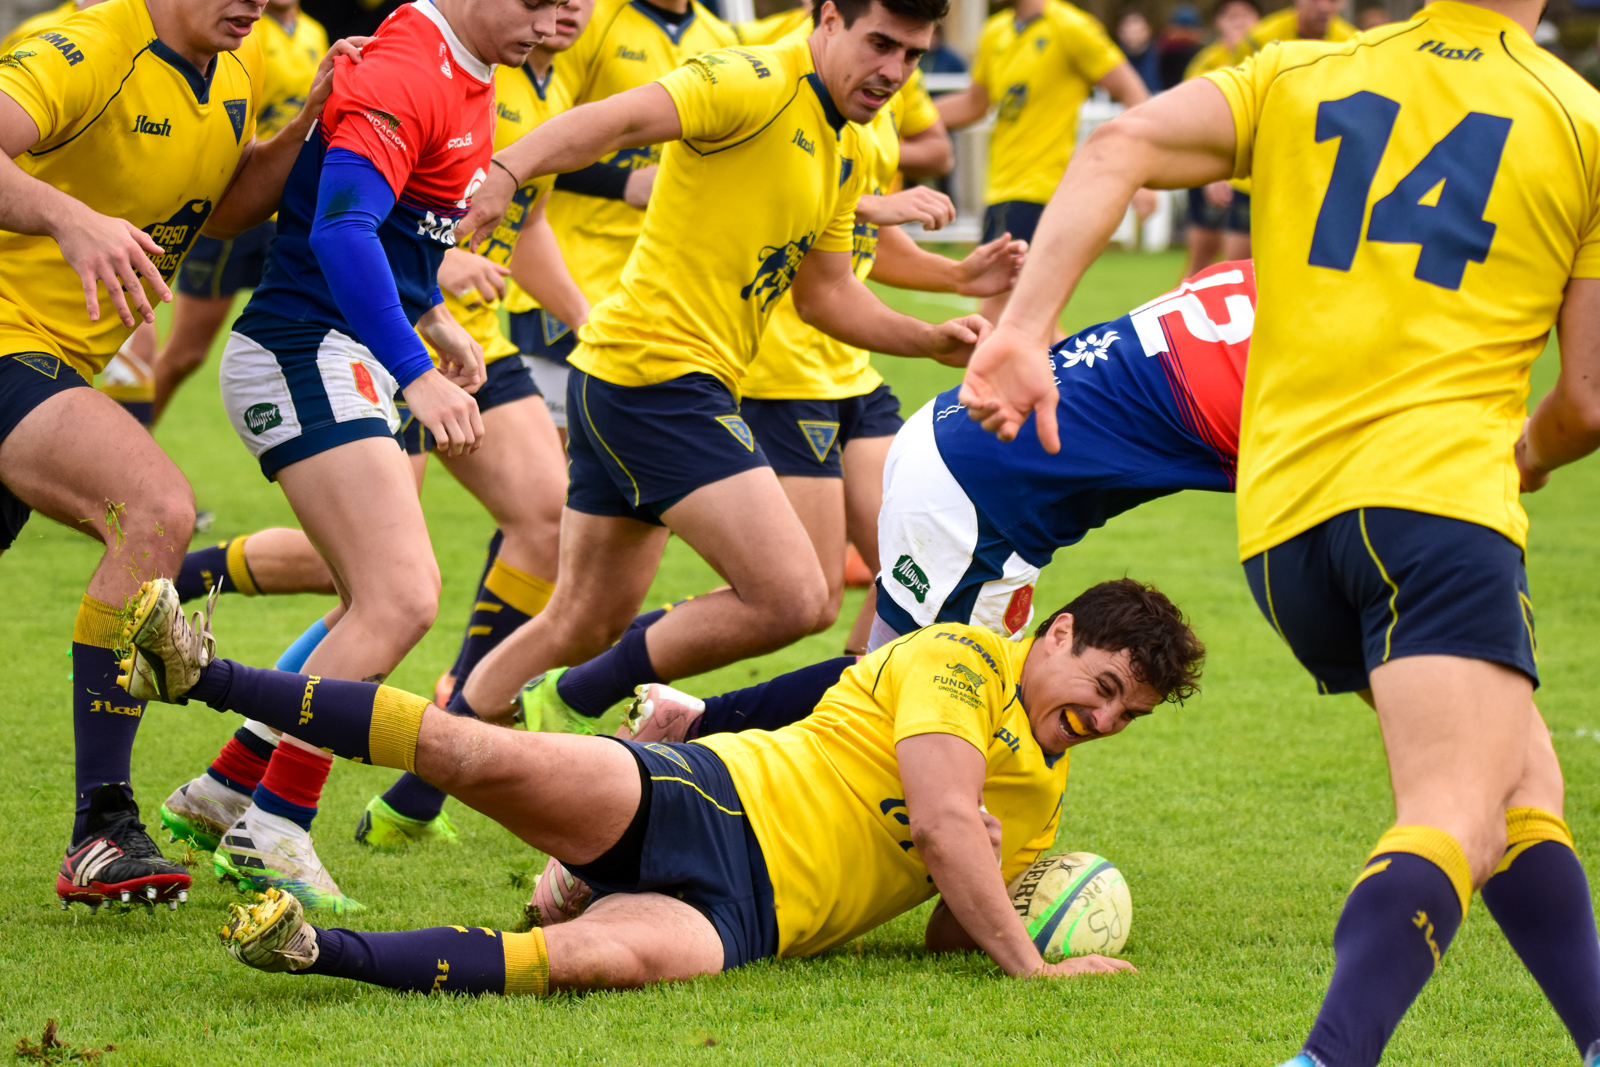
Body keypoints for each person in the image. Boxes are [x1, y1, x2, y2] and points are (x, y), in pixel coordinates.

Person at [957, 2, 1600, 1063]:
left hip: (1283, 530)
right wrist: (1519, 460)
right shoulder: (1576, 120)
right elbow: (1583, 398)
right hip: (1433, 505)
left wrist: (1023, 329)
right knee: (1457, 808)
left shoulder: (1301, 71)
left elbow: (1117, 143)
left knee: (1520, 780)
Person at [117, 573, 1202, 993]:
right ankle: (201, 669)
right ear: (1055, 633)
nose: (1103, 719)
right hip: (710, 795)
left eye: (1128, 715)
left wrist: (1040, 900)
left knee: (600, 959)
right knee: (475, 752)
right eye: (1102, 685)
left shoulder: (1042, 794)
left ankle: (310, 949)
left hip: (749, 917)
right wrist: (1031, 966)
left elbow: (941, 918)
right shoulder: (962, 661)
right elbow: (940, 818)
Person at [448, 0, 993, 739]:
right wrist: (509, 171)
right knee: (797, 597)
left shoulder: (851, 145)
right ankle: (575, 698)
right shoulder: (752, 79)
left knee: (582, 616)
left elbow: (826, 292)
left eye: (914, 56)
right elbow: (616, 120)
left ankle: (419, 786)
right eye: (881, 44)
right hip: (655, 378)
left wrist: (927, 337)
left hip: (645, 380)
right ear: (828, 19)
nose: (894, 71)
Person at [182, 0, 566, 911]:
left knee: (375, 597)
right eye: (539, 1)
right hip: (302, 346)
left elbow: (397, 238)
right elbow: (340, 232)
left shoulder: (476, 72)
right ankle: (273, 829)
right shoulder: (404, 66)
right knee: (401, 597)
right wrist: (416, 372)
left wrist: (433, 319)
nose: (557, 19)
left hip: (339, 346)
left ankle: (230, 785)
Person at [0, 0, 356, 911]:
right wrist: (67, 216)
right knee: (151, 504)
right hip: (12, 340)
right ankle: (102, 822)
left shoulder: (231, 70)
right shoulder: (84, 45)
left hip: (51, 352)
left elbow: (225, 206)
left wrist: (311, 116)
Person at [875, 260, 1249, 648]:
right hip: (976, 501)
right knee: (918, 694)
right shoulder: (1290, 373)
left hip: (951, 433)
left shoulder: (1262, 276)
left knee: (874, 679)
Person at [149, 0, 328, 424]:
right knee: (186, 354)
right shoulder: (241, 29)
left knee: (310, 341)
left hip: (285, 213)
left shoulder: (313, 34)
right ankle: (128, 437)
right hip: (235, 199)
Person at [933, 0, 1149, 327]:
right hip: (1003, 193)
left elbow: (1132, 92)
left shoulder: (1071, 26)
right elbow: (973, 104)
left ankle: (1069, 377)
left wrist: (1142, 175)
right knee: (1020, 321)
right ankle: (1069, 377)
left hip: (1039, 192)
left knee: (1003, 318)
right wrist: (903, 119)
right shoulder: (995, 33)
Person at [1179, 0, 1257, 278]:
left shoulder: (1268, 59)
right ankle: (1175, 317)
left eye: (1245, 16)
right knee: (1201, 261)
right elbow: (1188, 118)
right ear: (1218, 22)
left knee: (1239, 266)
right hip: (1210, 171)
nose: (1238, 23)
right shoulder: (1207, 62)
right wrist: (1208, 175)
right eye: (1230, 16)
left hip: (1250, 178)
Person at [1115, 10, 1160, 93]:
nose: (1134, 35)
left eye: (1137, 31)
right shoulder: (1113, 60)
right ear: (1120, 33)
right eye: (1130, 31)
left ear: (1148, 31)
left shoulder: (1162, 58)